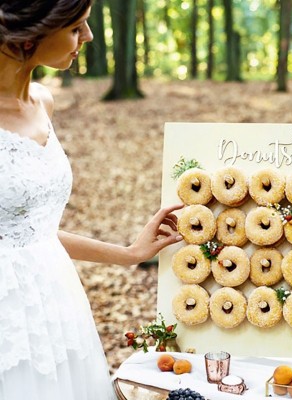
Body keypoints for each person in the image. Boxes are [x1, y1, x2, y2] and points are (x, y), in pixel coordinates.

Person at [0, 1, 183, 399]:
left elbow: (31, 233)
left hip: (58, 307)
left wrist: (130, 253)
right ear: (31, 34)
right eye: (75, 28)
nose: (88, 37)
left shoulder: (43, 102)